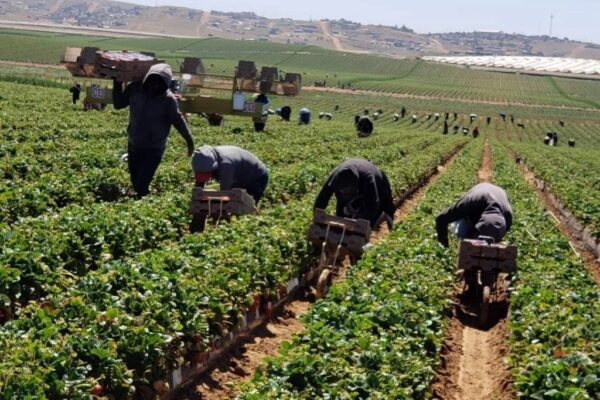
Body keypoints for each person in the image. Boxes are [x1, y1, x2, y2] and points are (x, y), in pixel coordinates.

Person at [113, 63, 194, 198]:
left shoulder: (168, 100)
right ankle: (142, 200)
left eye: (159, 84)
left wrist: (189, 141)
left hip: (154, 148)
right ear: (146, 80)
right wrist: (117, 83)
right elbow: (118, 104)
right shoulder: (135, 90)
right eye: (152, 82)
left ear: (166, 84)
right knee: (135, 180)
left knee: (141, 183)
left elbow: (178, 121)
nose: (154, 86)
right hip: (134, 144)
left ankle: (142, 203)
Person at [314, 159, 395, 229]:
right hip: (357, 180)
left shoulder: (368, 179)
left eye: (349, 193)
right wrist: (316, 220)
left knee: (365, 224)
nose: (346, 195)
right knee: (342, 217)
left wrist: (358, 223)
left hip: (378, 182)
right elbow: (321, 200)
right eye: (344, 193)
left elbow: (372, 207)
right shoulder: (335, 178)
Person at [435, 183, 513, 247]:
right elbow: (441, 218)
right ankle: (465, 240)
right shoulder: (470, 203)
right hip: (481, 190)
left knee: (491, 246)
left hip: (498, 193)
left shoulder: (507, 218)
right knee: (461, 231)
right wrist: (444, 247)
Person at [191, 145, 269, 203]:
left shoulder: (226, 165)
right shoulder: (201, 159)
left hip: (257, 177)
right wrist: (197, 197)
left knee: (247, 206)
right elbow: (199, 184)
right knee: (235, 201)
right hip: (240, 176)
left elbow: (224, 194)